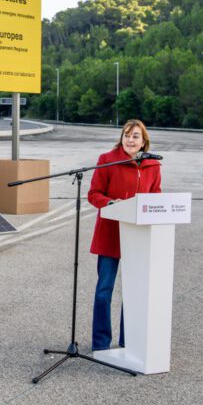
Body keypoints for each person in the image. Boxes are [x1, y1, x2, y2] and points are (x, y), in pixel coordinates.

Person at [87, 119, 162, 351]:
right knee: (104, 291)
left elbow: (156, 195)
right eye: (127, 135)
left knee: (132, 293)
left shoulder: (153, 166)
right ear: (121, 138)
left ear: (143, 142)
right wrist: (110, 203)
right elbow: (93, 194)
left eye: (136, 136)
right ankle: (101, 343)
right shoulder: (107, 160)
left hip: (137, 236)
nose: (131, 139)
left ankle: (127, 341)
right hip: (111, 233)